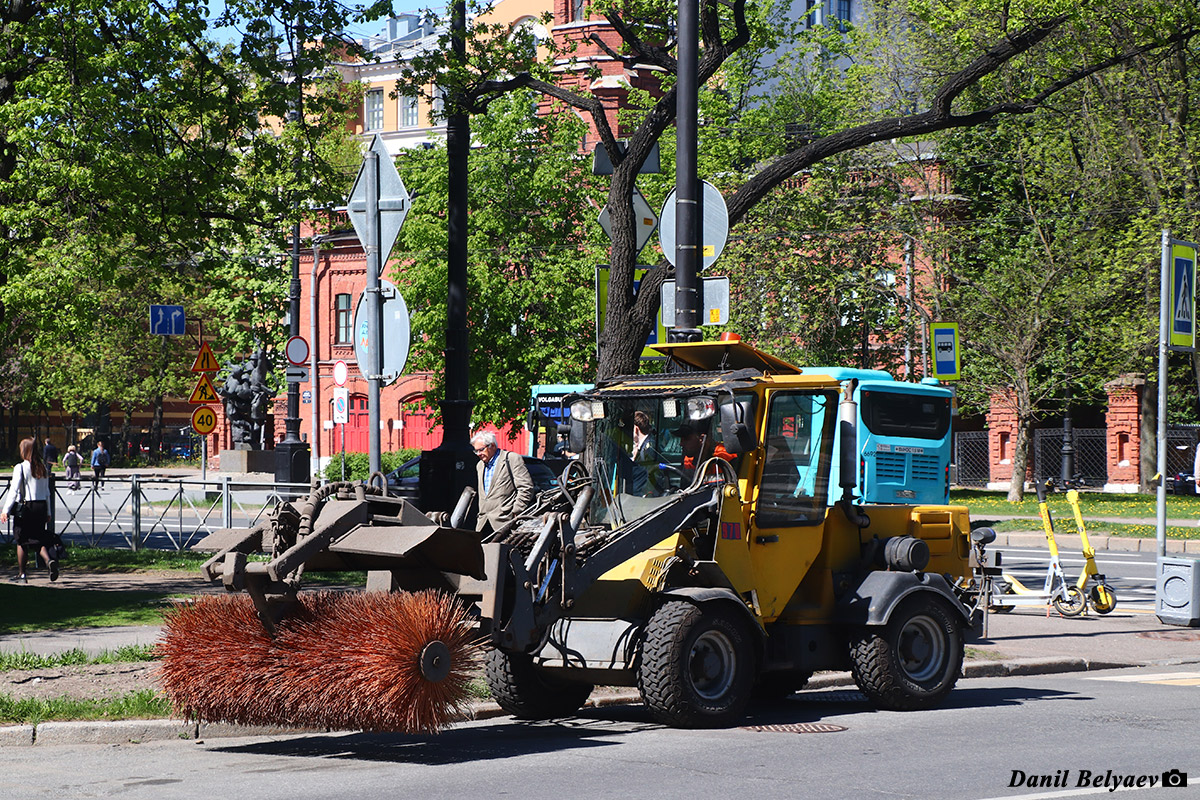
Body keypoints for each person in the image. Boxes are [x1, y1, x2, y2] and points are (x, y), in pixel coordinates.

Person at [2, 437, 55, 583]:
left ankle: (22, 574)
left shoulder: (20, 467)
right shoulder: (43, 467)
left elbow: (13, 490)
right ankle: (49, 560)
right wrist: (48, 512)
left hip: (26, 507)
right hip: (41, 507)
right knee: (37, 537)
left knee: (22, 540)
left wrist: (5, 510)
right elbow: (47, 493)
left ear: (25, 451)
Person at [472, 431, 534, 534]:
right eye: (476, 451)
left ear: (492, 446)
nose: (478, 454)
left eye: (481, 450)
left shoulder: (511, 459)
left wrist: (515, 511)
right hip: (483, 523)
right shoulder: (480, 465)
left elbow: (526, 487)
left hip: (504, 522)